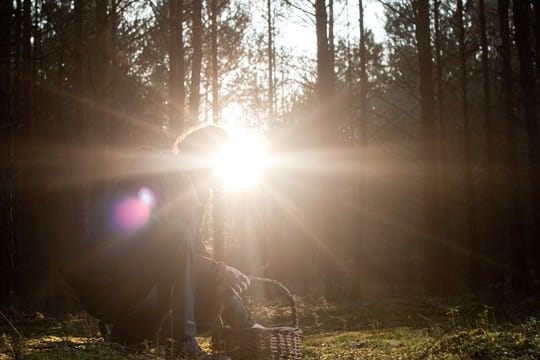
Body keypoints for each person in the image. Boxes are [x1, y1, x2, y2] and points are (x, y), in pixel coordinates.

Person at [65, 125, 257, 359]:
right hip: (109, 282)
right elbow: (148, 236)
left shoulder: (196, 193)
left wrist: (249, 324)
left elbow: (193, 255)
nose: (221, 178)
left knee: (209, 272)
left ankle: (132, 333)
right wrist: (216, 269)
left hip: (143, 282)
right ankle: (183, 345)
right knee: (176, 233)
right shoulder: (155, 171)